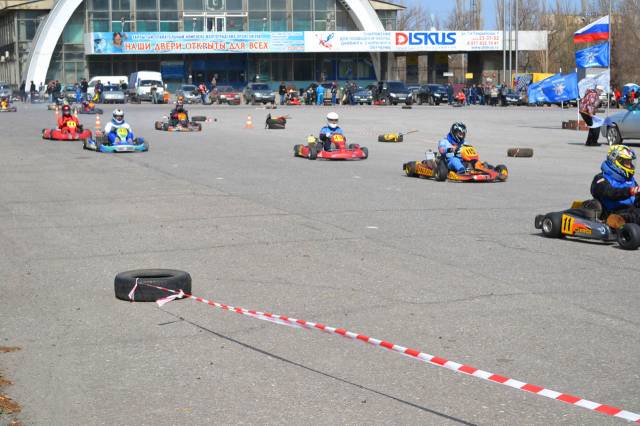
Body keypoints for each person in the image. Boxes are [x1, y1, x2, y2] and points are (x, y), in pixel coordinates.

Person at [591, 145, 639, 224]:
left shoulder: (630, 180)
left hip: (631, 210)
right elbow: (611, 193)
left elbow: (636, 197)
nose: (630, 166)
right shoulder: (601, 179)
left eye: (630, 163)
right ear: (616, 162)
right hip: (613, 214)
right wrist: (630, 191)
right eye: (627, 163)